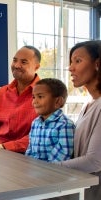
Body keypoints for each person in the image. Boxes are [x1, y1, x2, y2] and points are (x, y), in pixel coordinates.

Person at [52, 40, 101, 200]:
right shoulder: (89, 102)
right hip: (83, 186)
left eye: (78, 61)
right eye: (71, 62)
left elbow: (94, 161)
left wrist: (47, 168)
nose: (70, 68)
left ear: (97, 64)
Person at [0, 45, 41, 153]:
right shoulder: (2, 92)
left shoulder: (45, 94)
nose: (16, 65)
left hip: (26, 156)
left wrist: (3, 147)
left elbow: (40, 135)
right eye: (14, 60)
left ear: (36, 67)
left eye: (24, 62)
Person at [25, 78, 75, 162]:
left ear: (58, 101)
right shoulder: (35, 123)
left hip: (52, 172)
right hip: (33, 170)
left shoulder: (65, 125)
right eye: (33, 97)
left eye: (40, 97)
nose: (34, 102)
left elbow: (63, 156)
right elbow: (30, 150)